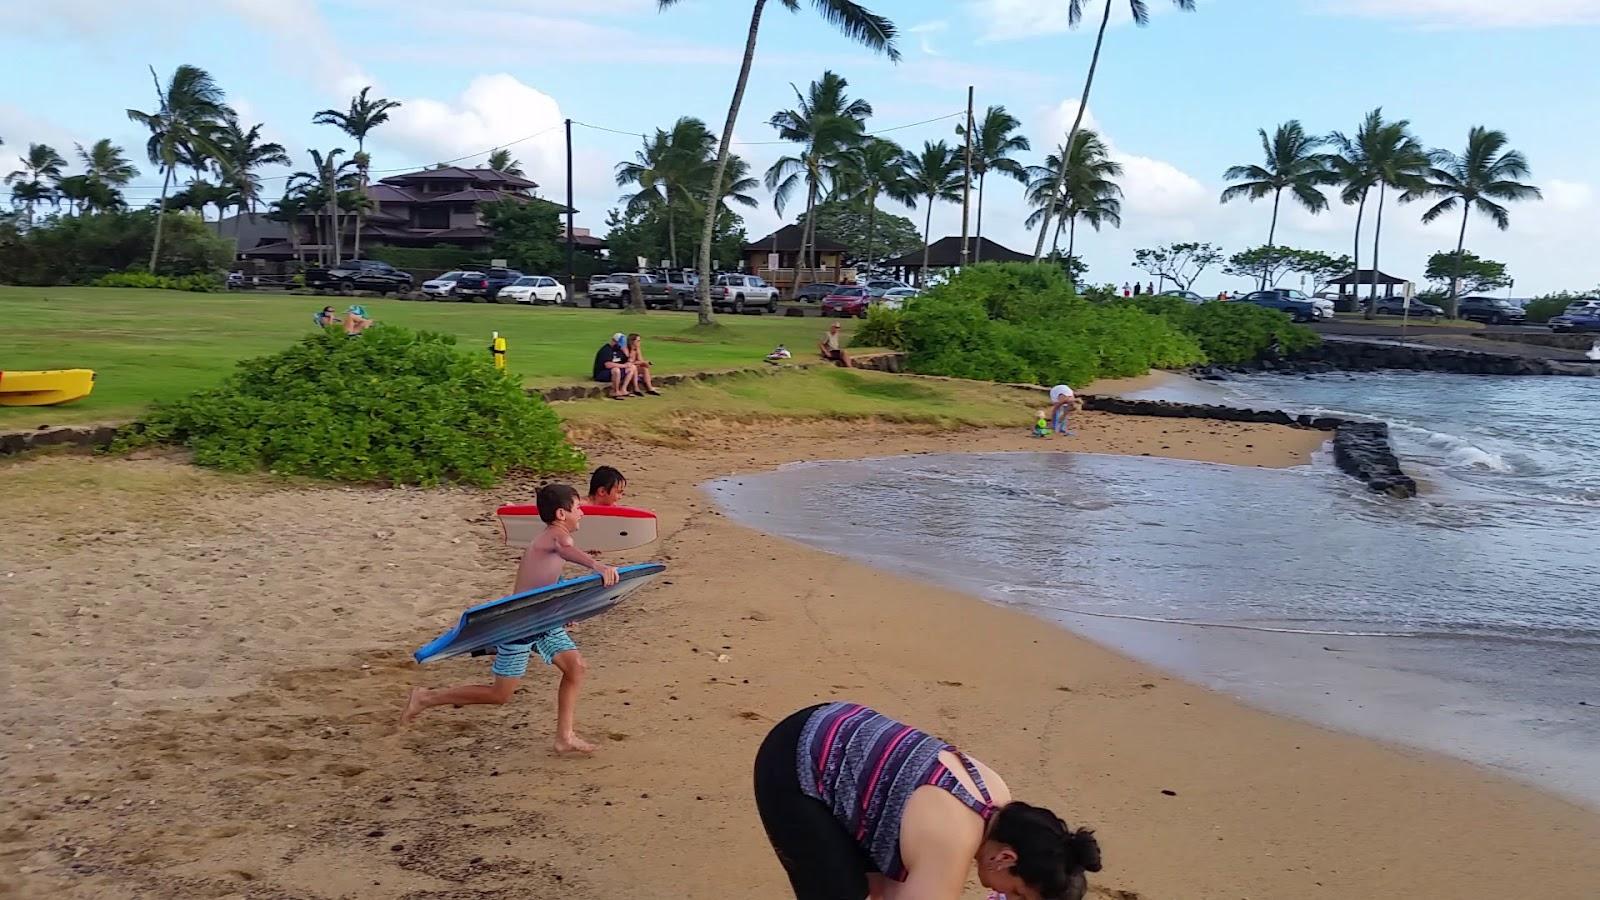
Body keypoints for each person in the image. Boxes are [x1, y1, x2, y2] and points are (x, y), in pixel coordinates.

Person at [755, 701, 1102, 900]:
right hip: (795, 758)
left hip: (840, 721)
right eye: (1018, 895)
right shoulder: (951, 843)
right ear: (1005, 858)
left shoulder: (997, 794)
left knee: (872, 877)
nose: (1008, 899)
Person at [401, 483, 617, 754]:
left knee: (576, 668)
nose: (582, 513)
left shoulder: (550, 540)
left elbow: (549, 580)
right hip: (520, 624)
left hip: (544, 620)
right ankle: (425, 697)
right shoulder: (556, 538)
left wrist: (564, 613)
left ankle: (565, 737)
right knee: (499, 695)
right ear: (562, 514)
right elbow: (566, 549)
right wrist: (597, 566)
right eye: (578, 509)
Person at [592, 333, 636, 399]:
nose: (620, 346)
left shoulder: (619, 350)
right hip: (602, 373)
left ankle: (623, 389)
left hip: (614, 372)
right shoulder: (606, 350)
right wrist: (623, 366)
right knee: (616, 370)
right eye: (618, 344)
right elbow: (608, 365)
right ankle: (615, 391)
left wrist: (627, 353)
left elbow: (627, 360)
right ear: (613, 341)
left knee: (632, 367)